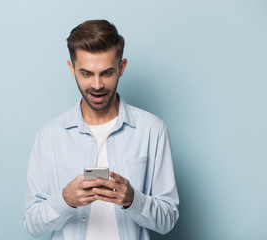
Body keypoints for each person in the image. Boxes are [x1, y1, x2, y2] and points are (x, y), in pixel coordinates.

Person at [24, 19, 179, 240]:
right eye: (86, 73)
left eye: (106, 73)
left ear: (122, 68)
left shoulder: (152, 130)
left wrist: (133, 199)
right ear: (72, 69)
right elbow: (32, 224)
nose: (97, 85)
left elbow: (168, 220)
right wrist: (65, 199)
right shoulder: (50, 135)